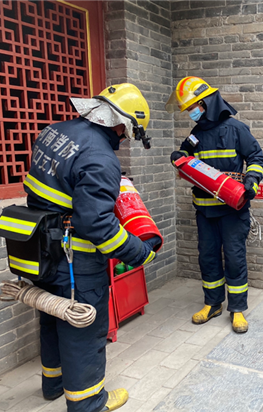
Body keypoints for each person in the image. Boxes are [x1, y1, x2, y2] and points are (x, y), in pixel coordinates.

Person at [24, 83, 161, 412]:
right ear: (121, 124)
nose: (124, 139)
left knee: (53, 315)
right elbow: (97, 225)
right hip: (76, 260)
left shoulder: (54, 131)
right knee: (82, 327)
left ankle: (53, 384)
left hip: (39, 248)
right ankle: (88, 402)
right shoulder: (100, 157)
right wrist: (139, 252)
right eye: (127, 132)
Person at [166, 76, 263, 334]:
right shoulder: (196, 135)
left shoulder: (237, 129)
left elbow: (256, 157)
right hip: (204, 210)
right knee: (208, 258)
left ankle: (238, 309)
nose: (191, 112)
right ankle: (213, 304)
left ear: (206, 103)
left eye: (192, 107)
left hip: (233, 210)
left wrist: (252, 181)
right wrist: (178, 156)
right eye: (188, 109)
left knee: (234, 258)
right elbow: (185, 154)